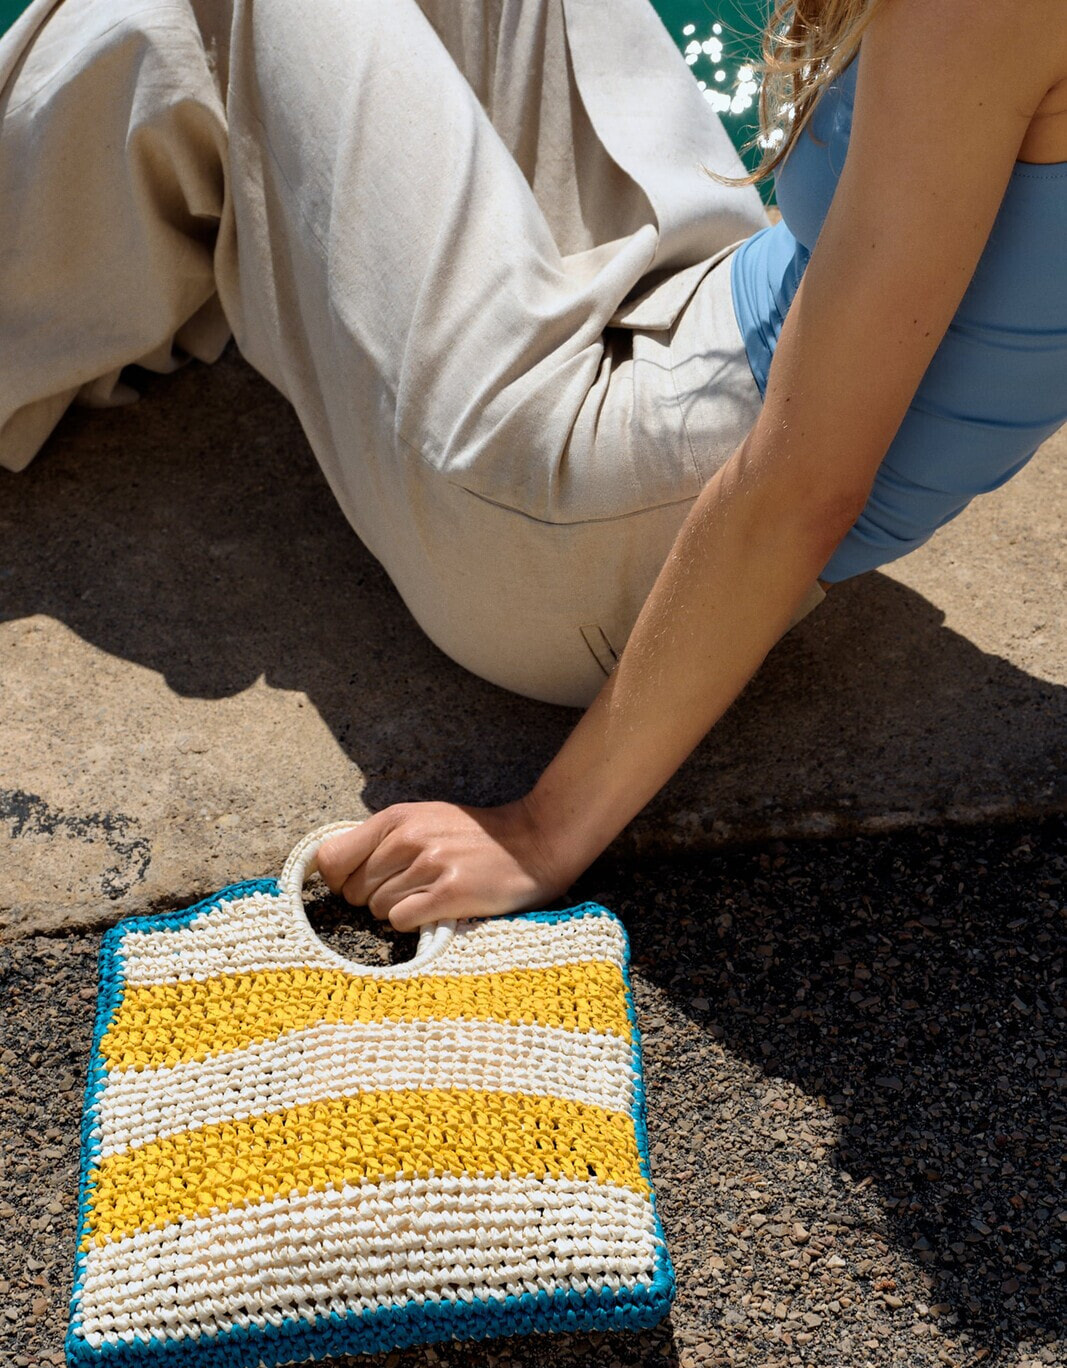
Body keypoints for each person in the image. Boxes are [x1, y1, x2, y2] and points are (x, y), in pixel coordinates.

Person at [2, 0, 1065, 929]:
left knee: (178, 24)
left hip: (592, 515)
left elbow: (801, 490)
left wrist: (541, 832)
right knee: (151, 30)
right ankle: (187, 197)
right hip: (698, 311)